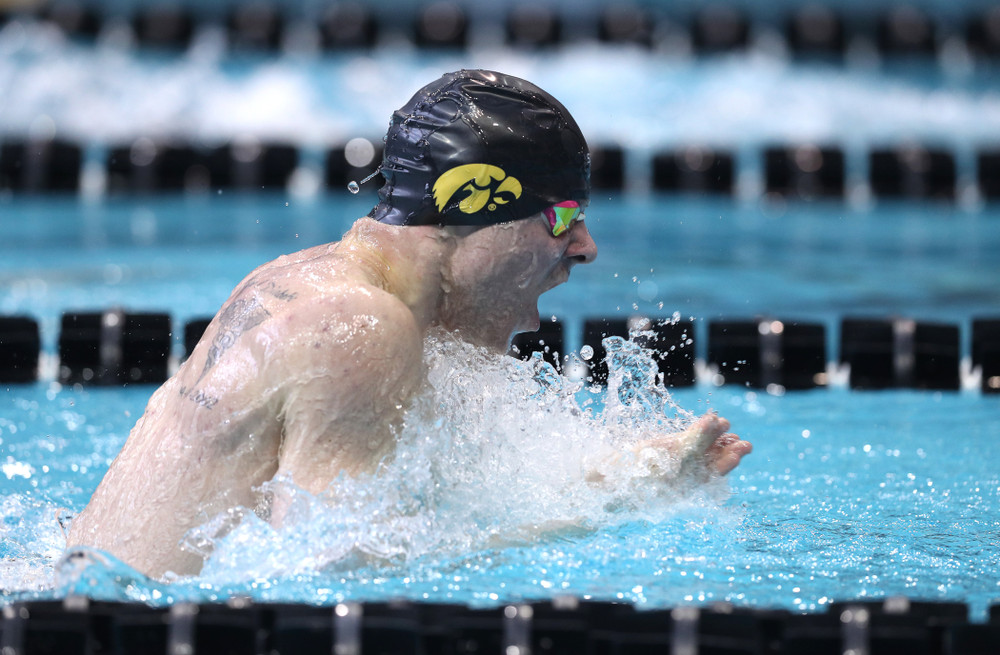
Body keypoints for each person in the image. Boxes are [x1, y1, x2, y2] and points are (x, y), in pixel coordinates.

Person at [66, 70, 751, 579]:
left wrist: (621, 474)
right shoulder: (361, 326)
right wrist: (619, 508)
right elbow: (335, 579)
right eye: (564, 216)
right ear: (475, 204)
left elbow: (426, 507)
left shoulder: (321, 282)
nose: (585, 247)